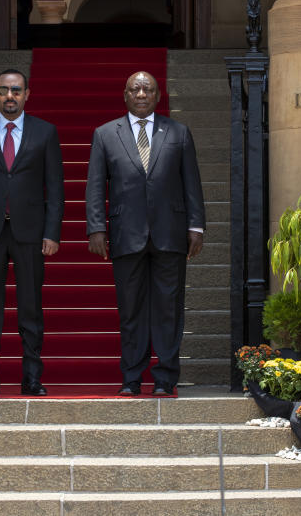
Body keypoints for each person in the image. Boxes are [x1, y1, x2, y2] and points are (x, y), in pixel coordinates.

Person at [85, 71, 205, 397]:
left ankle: (165, 378)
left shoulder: (178, 132)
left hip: (171, 233)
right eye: (135, 89)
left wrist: (196, 226)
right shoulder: (105, 134)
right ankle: (132, 378)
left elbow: (191, 183)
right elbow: (96, 186)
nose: (141, 94)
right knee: (131, 309)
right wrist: (96, 228)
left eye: (148, 89)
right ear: (125, 95)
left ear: (158, 95)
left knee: (169, 308)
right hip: (126, 233)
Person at [0, 69, 64, 396]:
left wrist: (52, 232)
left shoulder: (45, 133)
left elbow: (56, 188)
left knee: (30, 306)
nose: (9, 96)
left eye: (16, 90)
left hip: (31, 233)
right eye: (4, 90)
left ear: (26, 94)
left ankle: (32, 376)